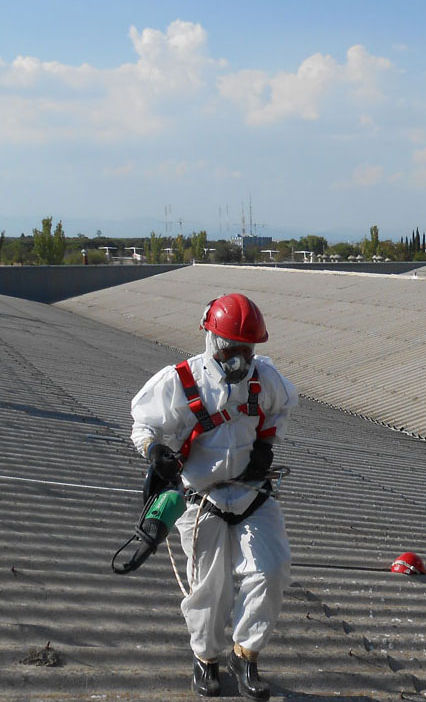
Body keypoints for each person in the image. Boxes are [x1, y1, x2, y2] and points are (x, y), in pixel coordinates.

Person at [131, 293, 297, 699]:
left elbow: (280, 410)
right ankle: (206, 658)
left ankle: (246, 653)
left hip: (251, 493)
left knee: (270, 571)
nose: (238, 358)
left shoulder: (265, 380)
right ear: (211, 340)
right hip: (199, 497)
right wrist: (157, 453)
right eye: (230, 348)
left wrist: (266, 447)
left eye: (247, 349)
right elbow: (143, 426)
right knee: (211, 587)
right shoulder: (181, 381)